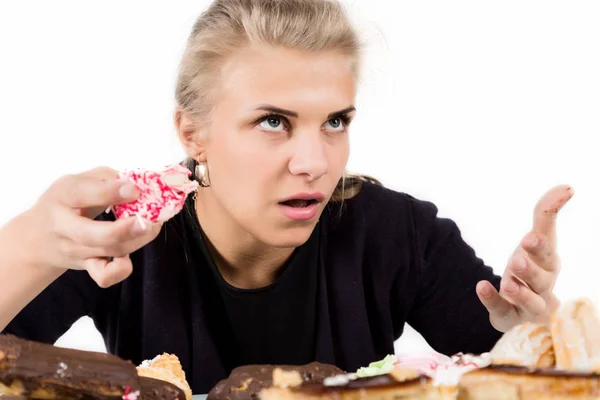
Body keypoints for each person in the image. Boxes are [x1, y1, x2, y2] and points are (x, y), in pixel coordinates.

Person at [0, 0, 573, 394]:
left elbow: (526, 372)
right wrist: (30, 245)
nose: (314, 162)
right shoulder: (119, 236)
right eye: (274, 121)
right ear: (192, 132)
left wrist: (535, 331)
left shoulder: (401, 236)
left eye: (335, 121)